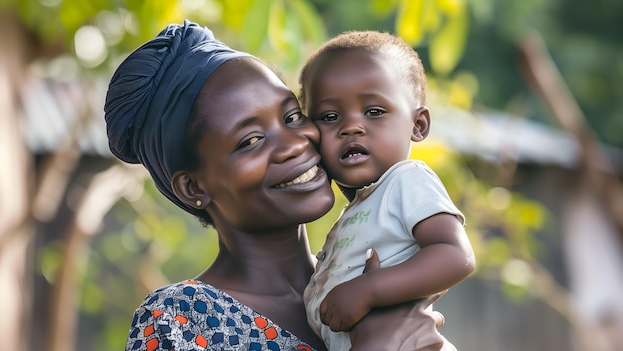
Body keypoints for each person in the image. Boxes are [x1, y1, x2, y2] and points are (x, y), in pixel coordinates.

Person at [105, 20, 450, 351]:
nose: (295, 144)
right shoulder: (180, 321)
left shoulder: (372, 276)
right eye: (251, 140)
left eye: (292, 117)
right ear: (193, 187)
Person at [299, 30, 476, 350]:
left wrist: (371, 289)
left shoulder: (407, 180)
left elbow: (455, 255)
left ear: (418, 125)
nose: (351, 126)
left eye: (374, 111)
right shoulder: (355, 213)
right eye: (329, 116)